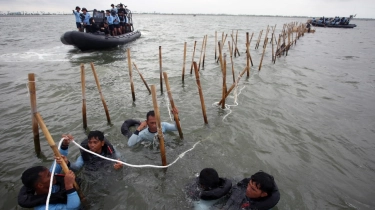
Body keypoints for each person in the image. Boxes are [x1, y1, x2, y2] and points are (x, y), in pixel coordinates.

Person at [18, 136, 81, 210]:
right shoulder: (45, 208)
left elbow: (59, 161)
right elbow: (74, 208)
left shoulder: (47, 180)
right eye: (48, 175)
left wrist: (64, 145)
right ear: (40, 185)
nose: (53, 174)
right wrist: (69, 186)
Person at [57, 130, 123, 172]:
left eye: (95, 142)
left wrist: (119, 165)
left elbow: (121, 160)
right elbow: (77, 167)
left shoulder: (110, 149)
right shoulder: (84, 155)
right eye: (90, 142)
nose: (92, 145)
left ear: (102, 143)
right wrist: (67, 163)